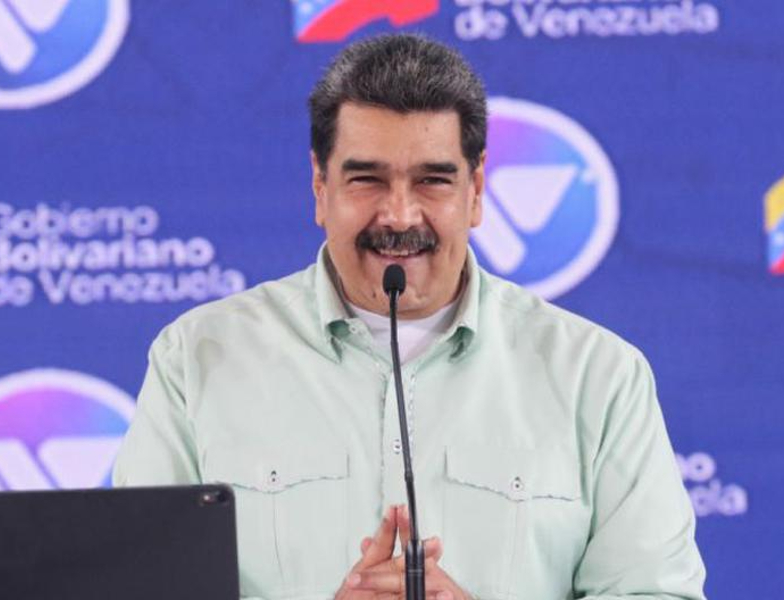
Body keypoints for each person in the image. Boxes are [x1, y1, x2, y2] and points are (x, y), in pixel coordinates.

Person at [114, 34, 706, 600]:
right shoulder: (197, 359)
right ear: (320, 188)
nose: (399, 215)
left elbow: (656, 591)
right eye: (367, 179)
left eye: (432, 181)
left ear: (476, 191)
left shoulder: (597, 377)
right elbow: (135, 591)